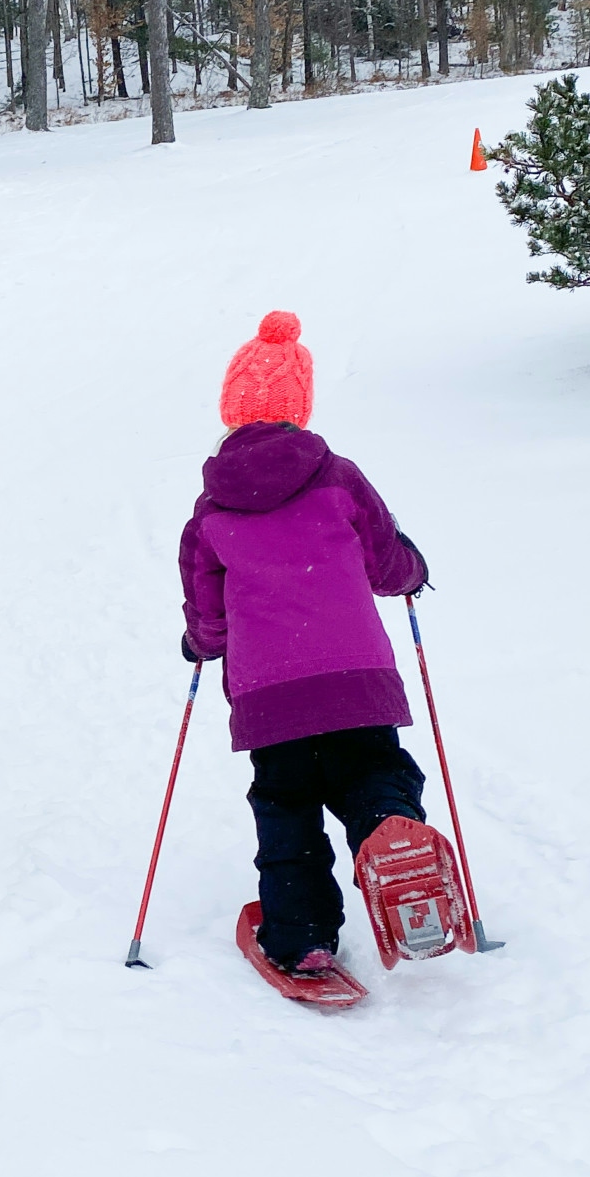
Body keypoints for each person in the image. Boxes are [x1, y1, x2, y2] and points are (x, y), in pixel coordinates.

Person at [179, 310, 430, 977]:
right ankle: (390, 832)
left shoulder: (213, 507)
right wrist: (413, 571)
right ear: (301, 407)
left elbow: (207, 609)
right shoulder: (338, 476)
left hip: (269, 692)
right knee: (372, 768)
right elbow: (385, 562)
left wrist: (199, 644)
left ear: (231, 409)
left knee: (286, 804)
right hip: (356, 676)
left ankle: (302, 936)